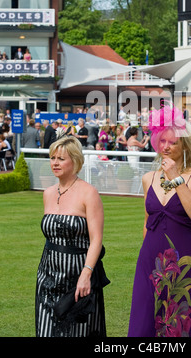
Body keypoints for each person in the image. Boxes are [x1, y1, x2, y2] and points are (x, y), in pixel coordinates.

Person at [128, 105, 191, 337]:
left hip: (182, 262)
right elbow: (147, 223)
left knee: (179, 322)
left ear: (184, 144)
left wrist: (176, 178)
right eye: (161, 140)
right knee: (145, 321)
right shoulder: (148, 178)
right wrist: (146, 257)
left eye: (172, 142)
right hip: (149, 262)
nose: (165, 146)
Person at [35, 136, 109, 337]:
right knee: (45, 331)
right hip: (47, 276)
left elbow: (96, 240)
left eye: (61, 158)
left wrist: (86, 274)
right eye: (52, 158)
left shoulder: (89, 193)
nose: (55, 163)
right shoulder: (48, 193)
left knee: (78, 332)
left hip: (78, 277)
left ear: (75, 161)